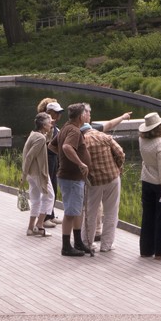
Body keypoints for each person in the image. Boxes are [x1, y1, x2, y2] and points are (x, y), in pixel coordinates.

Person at [53, 102, 94, 256]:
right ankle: (66, 246)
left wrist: (64, 160)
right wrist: (80, 163)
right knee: (70, 212)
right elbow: (66, 147)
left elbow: (52, 145)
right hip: (71, 178)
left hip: (72, 177)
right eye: (86, 113)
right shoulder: (74, 131)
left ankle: (78, 242)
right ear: (80, 116)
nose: (88, 115)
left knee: (76, 210)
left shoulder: (65, 128)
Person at [81, 123, 126, 254]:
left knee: (91, 212)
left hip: (94, 181)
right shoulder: (105, 137)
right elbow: (120, 153)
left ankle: (87, 243)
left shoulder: (82, 141)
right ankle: (106, 245)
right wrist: (118, 167)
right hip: (112, 178)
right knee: (111, 211)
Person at [137, 113, 161, 259]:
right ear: (159, 128)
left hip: (146, 181)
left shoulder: (142, 140)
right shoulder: (160, 144)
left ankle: (146, 249)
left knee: (148, 216)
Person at [21, 112, 55, 237]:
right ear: (43, 125)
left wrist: (25, 174)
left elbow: (48, 139)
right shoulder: (40, 138)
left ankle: (30, 228)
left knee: (35, 200)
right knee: (49, 196)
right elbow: (30, 156)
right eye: (49, 123)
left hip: (31, 173)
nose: (51, 124)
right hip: (38, 173)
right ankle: (39, 225)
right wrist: (23, 175)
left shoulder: (34, 135)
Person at [36, 98, 63, 228]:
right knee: (48, 190)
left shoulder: (54, 126)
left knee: (54, 186)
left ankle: (51, 215)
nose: (58, 116)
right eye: (56, 113)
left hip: (54, 159)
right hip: (46, 159)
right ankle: (45, 217)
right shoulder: (44, 126)